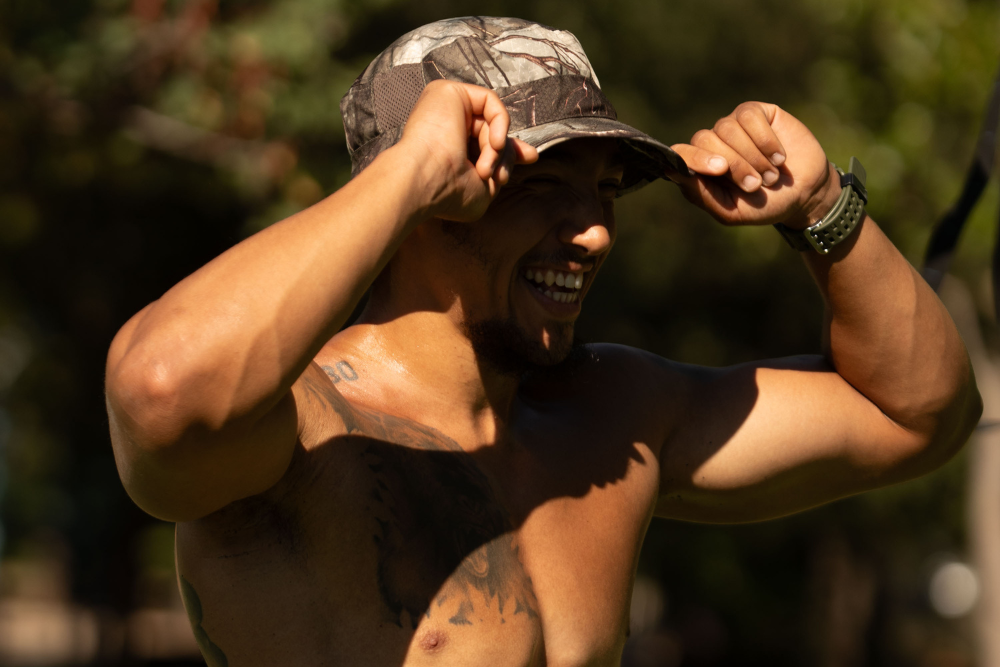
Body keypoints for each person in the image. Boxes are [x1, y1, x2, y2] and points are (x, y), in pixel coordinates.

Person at [105, 16, 981, 667]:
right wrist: (407, 170)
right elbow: (160, 390)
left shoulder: (613, 421)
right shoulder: (301, 434)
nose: (595, 231)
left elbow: (917, 414)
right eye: (540, 184)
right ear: (431, 195)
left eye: (602, 188)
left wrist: (824, 204)